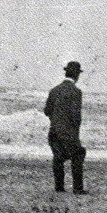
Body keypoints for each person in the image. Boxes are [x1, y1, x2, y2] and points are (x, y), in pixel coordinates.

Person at [44, 61, 87, 194]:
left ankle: (59, 187)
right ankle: (77, 188)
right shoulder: (76, 92)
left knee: (58, 157)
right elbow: (76, 116)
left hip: (54, 131)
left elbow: (47, 111)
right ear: (76, 75)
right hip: (68, 132)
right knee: (78, 154)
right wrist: (75, 131)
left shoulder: (54, 90)